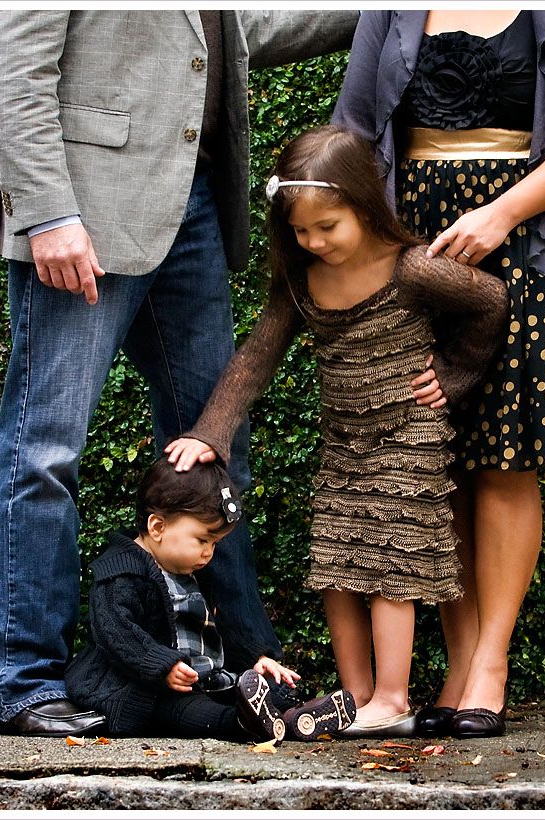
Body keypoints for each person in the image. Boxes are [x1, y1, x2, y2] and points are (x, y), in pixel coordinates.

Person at [0, 10, 359, 737]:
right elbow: (11, 65)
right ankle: (24, 684)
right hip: (85, 211)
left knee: (215, 449)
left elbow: (241, 27)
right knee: (45, 451)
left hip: (192, 204)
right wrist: (48, 213)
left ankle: (248, 676)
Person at [331, 9, 545, 738]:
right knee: (436, 459)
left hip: (526, 245)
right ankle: (459, 665)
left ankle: (490, 666)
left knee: (505, 457)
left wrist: (501, 214)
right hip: (416, 248)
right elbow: (353, 132)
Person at [166, 125, 508, 738]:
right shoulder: (302, 281)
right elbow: (255, 358)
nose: (315, 242)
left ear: (365, 205)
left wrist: (454, 374)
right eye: (301, 231)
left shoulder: (412, 269)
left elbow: (491, 300)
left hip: (409, 434)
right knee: (337, 559)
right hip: (345, 441)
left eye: (327, 226)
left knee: (390, 561)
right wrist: (210, 433)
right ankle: (356, 696)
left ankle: (393, 697)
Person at [64, 457, 356, 743]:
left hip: (206, 680)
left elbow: (223, 624)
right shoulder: (122, 572)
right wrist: (163, 666)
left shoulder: (195, 570)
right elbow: (116, 631)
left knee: (271, 688)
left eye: (215, 543)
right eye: (202, 540)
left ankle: (294, 718)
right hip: (145, 688)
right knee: (188, 711)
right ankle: (243, 723)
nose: (209, 552)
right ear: (158, 527)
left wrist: (256, 659)